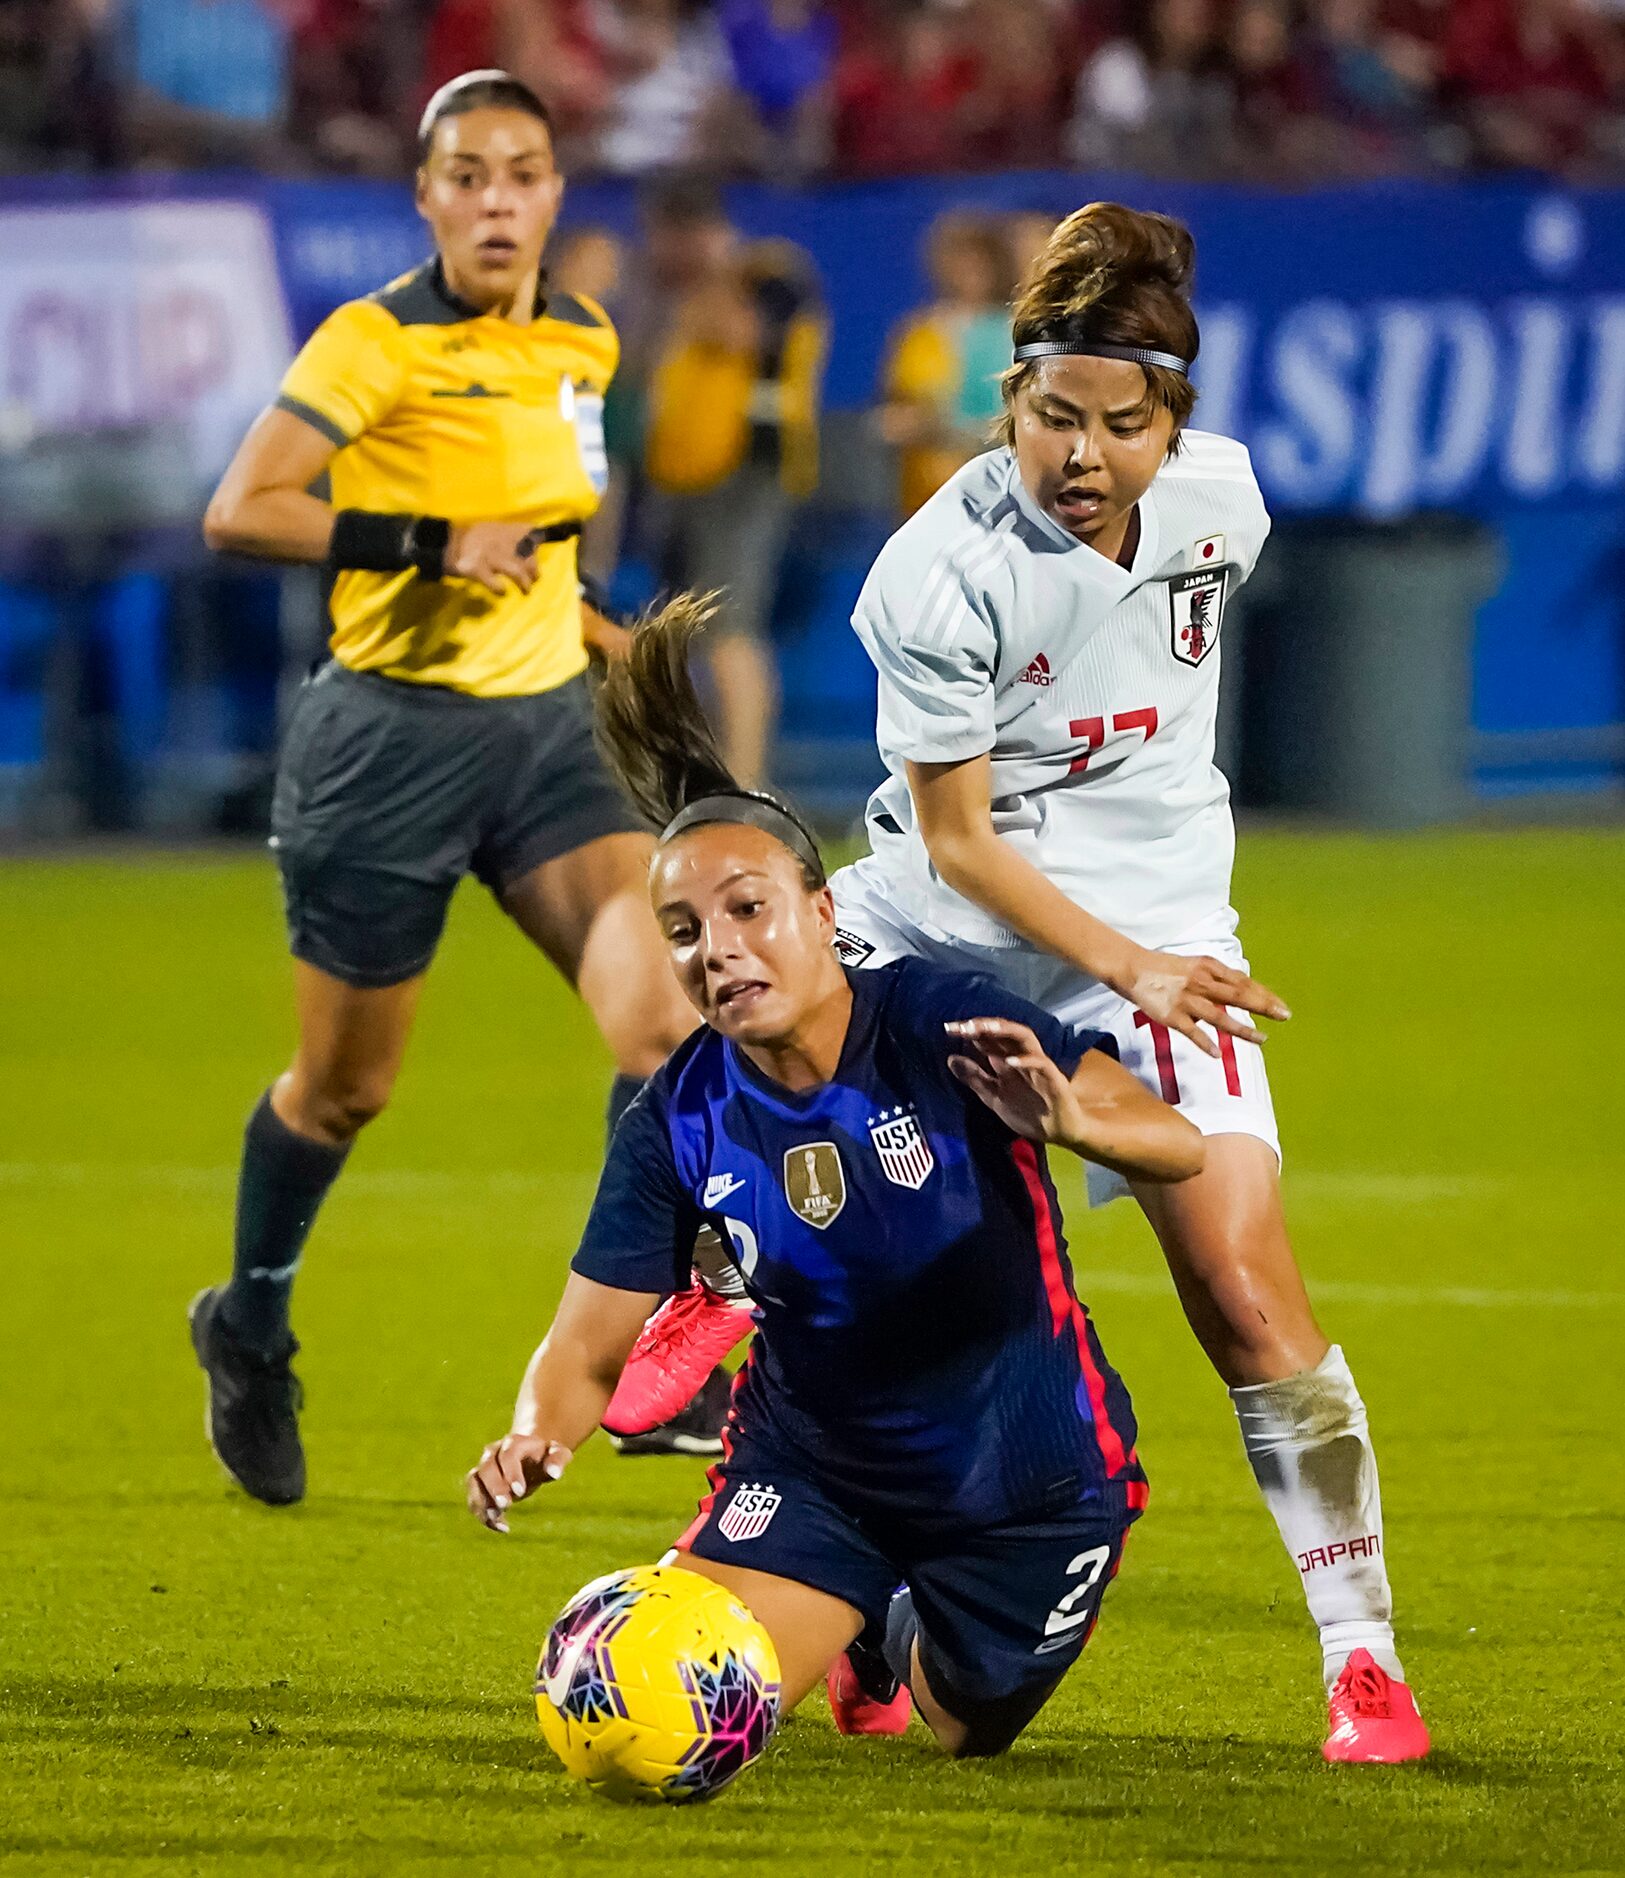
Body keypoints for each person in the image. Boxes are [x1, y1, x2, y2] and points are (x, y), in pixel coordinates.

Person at [614, 201, 1431, 1764]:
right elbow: (962, 840)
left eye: (1122, 422)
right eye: (1052, 413)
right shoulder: (937, 574)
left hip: (1161, 937)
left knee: (1247, 1294)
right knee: (719, 1018)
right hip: (950, 927)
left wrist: (1144, 950)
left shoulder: (1223, 510)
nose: (1083, 454)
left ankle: (1362, 1657)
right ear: (1010, 402)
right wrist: (1131, 961)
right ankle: (714, 1281)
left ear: (1172, 422)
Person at [465, 597, 1205, 1757]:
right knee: (660, 1693)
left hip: (1028, 1478)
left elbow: (1174, 1138)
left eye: (747, 909)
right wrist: (536, 1433)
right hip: (813, 1476)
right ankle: (844, 1601)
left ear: (821, 912)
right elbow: (585, 1342)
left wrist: (1071, 1121)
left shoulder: (936, 1020)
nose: (715, 948)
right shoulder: (679, 1116)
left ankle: (891, 1634)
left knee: (963, 1727)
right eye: (681, 929)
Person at [188, 69, 718, 1510]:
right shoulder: (373, 342)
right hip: (386, 748)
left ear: (556, 192)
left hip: (546, 738)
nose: (497, 199)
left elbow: (542, 538)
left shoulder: (583, 341)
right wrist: (425, 536)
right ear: (426, 197)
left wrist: (621, 639)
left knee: (672, 1029)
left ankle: (652, 1347)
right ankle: (247, 1316)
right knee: (347, 1087)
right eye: (467, 175)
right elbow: (243, 508)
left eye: (523, 173)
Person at [641, 225, 826, 785]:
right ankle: (724, 774)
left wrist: (718, 272)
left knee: (731, 632)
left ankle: (745, 784)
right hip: (696, 479)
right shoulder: (697, 292)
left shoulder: (765, 276)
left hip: (743, 473)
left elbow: (739, 331)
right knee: (700, 633)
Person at [876, 211, 1016, 519]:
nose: (966, 272)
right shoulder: (919, 331)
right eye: (957, 261)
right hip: (926, 487)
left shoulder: (1012, 333)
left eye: (977, 262)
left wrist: (940, 428)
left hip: (995, 487)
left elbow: (1008, 419)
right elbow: (896, 401)